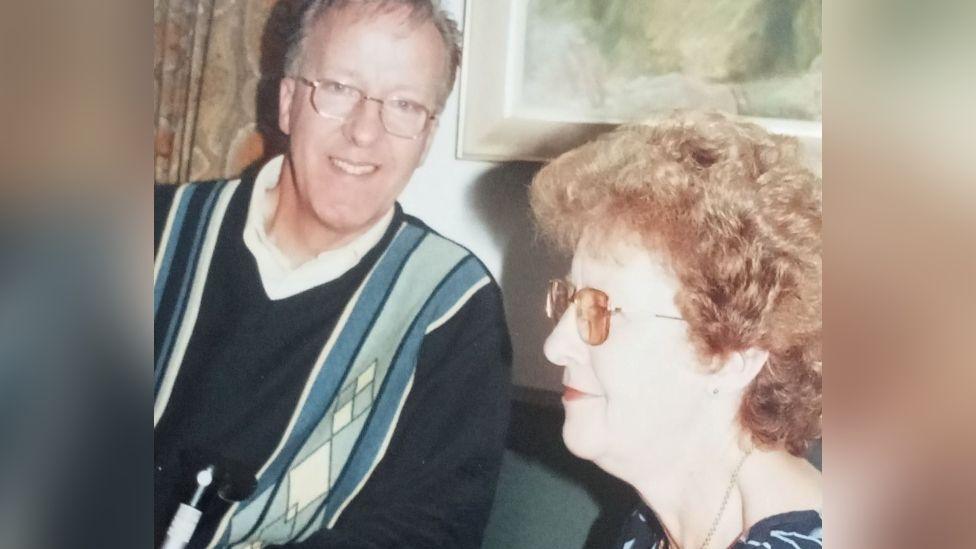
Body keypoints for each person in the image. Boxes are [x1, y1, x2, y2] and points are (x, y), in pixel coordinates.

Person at [153, 1, 511, 547]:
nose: (365, 132)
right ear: (289, 101)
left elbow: (423, 534)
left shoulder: (451, 309)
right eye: (340, 89)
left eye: (404, 104)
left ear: (428, 137)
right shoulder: (152, 231)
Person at [530, 111, 822, 548]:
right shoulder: (655, 529)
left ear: (728, 358)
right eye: (571, 302)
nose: (556, 346)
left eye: (602, 310)